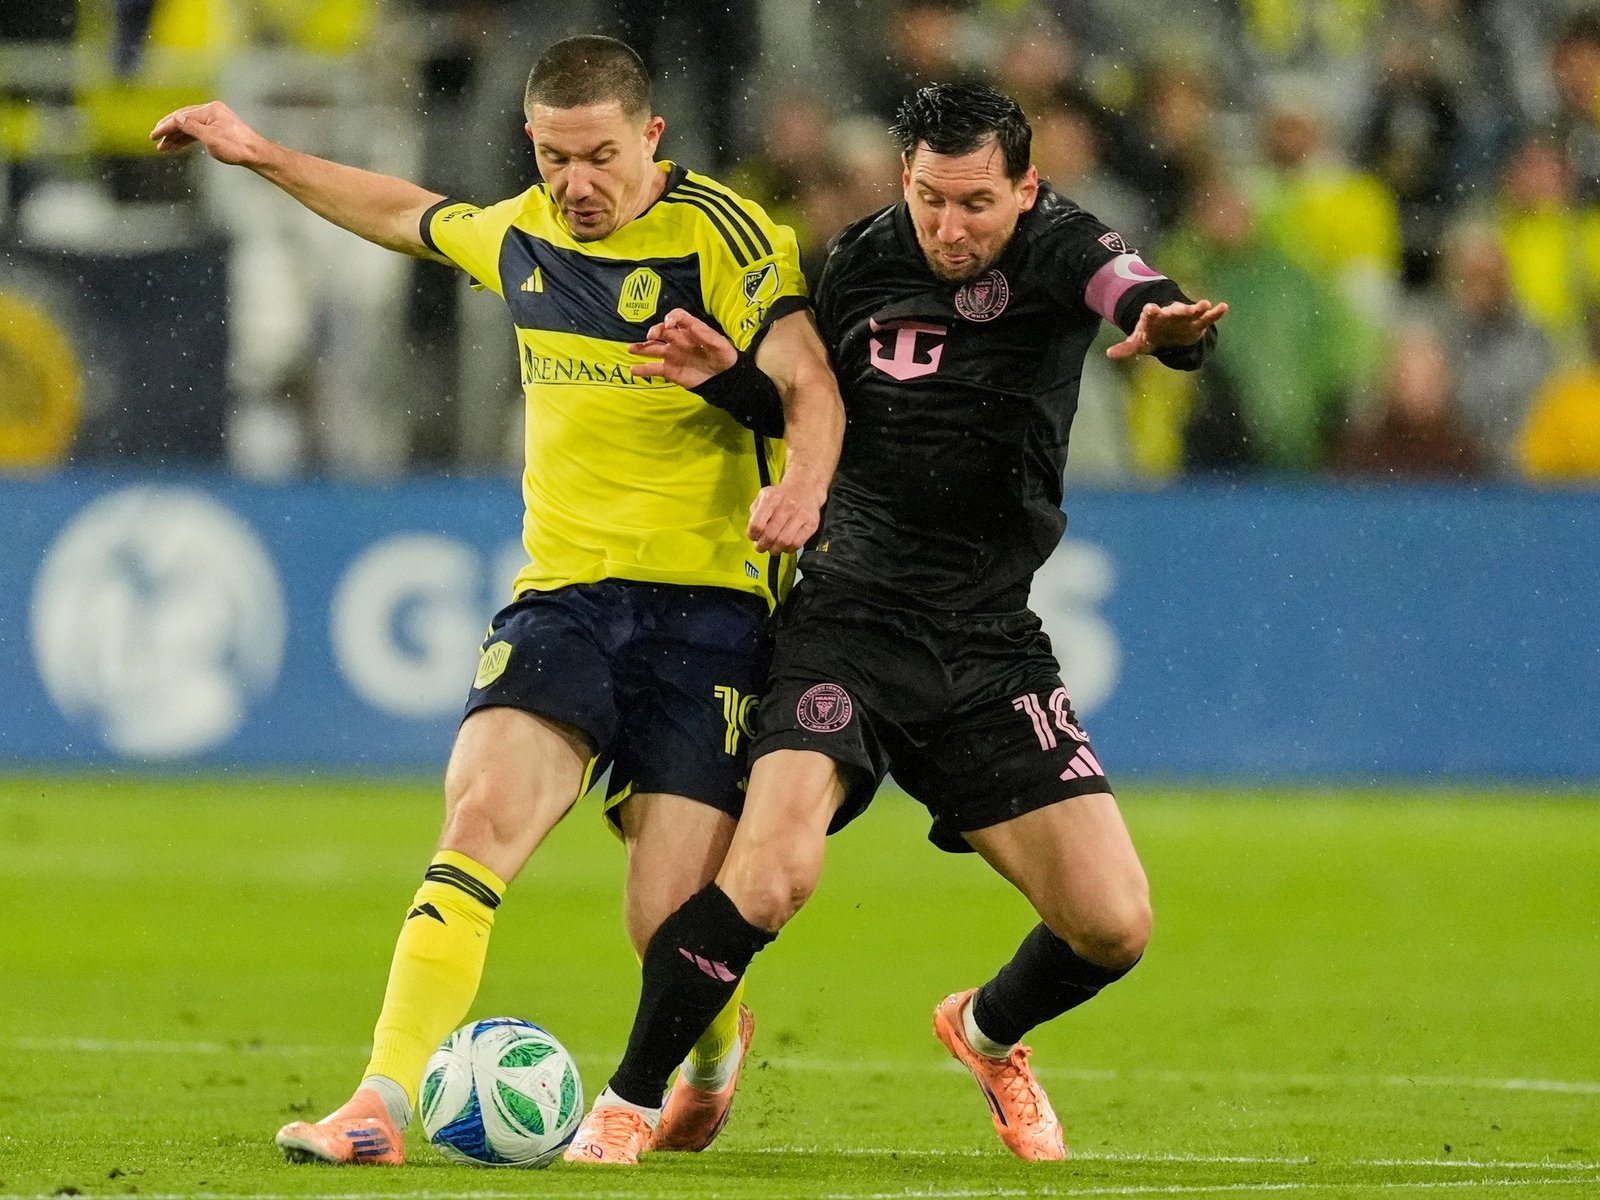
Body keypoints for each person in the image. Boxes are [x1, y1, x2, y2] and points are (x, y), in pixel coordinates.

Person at [150, 33, 844, 1165]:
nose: (577, 184)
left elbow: (810, 379)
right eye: (554, 157)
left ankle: (712, 1053)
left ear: (650, 138)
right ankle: (379, 1103)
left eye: (602, 157)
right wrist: (259, 151)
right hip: (563, 599)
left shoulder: (724, 232)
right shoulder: (520, 232)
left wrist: (804, 488)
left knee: (666, 920)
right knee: (475, 827)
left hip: (712, 612)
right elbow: (401, 210)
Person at [561, 82, 1224, 1165]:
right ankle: (629, 1106)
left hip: (987, 642)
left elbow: (1130, 286)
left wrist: (1170, 330)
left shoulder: (1062, 245)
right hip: (848, 618)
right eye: (929, 200)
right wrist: (730, 380)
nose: (951, 229)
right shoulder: (862, 260)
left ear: (1025, 189)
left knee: (1113, 925)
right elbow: (811, 406)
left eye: (975, 204)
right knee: (771, 876)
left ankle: (985, 1033)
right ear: (903, 179)